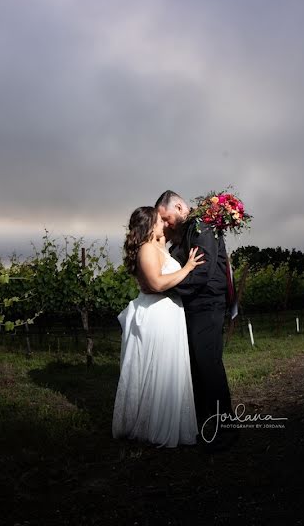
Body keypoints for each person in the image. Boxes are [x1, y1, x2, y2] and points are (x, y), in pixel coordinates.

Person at [112, 206, 205, 448]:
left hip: (169, 313)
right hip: (158, 313)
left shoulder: (156, 246)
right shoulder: (145, 249)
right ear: (149, 225)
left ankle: (167, 422)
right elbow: (156, 282)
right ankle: (153, 427)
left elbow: (167, 238)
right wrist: (187, 269)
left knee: (167, 367)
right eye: (158, 221)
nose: (162, 223)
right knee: (159, 367)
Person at [155, 190, 238, 451]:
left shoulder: (202, 227)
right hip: (193, 305)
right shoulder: (183, 234)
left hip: (207, 304)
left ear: (179, 207)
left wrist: (165, 288)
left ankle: (225, 427)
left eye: (167, 218)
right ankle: (206, 423)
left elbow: (201, 274)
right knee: (196, 365)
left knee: (207, 363)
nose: (166, 225)